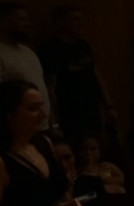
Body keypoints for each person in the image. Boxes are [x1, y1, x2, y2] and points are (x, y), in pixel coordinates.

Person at [0, 81, 77, 206]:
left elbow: (64, 199)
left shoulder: (45, 144)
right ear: (9, 115)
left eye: (42, 106)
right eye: (33, 109)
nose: (43, 115)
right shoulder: (3, 160)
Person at [38, 7, 110, 140]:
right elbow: (50, 87)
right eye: (75, 19)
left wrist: (108, 106)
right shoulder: (50, 49)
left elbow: (95, 75)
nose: (81, 23)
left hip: (92, 110)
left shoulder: (83, 45)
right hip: (69, 113)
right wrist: (54, 121)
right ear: (61, 22)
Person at [0, 5, 50, 129]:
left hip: (41, 124)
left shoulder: (28, 52)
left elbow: (42, 87)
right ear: (3, 23)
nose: (28, 24)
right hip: (16, 128)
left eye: (27, 19)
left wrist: (52, 122)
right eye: (21, 20)